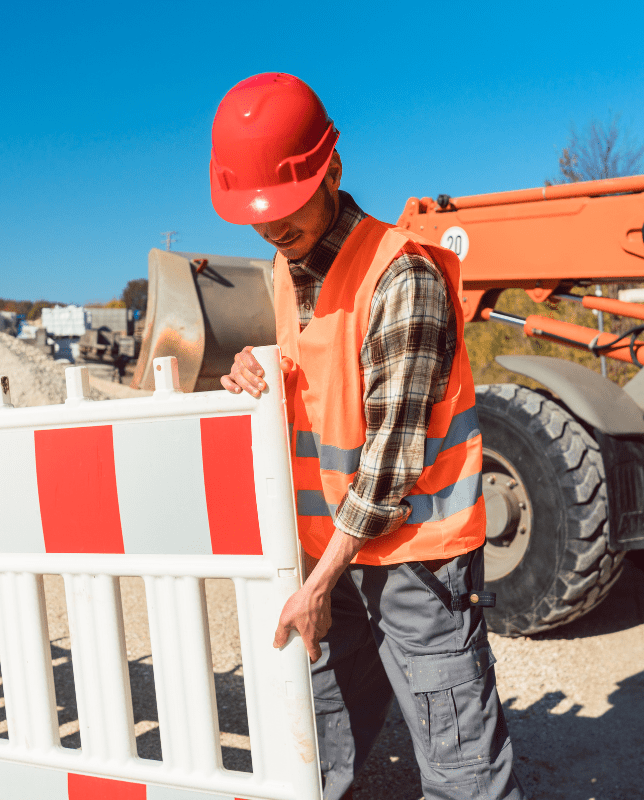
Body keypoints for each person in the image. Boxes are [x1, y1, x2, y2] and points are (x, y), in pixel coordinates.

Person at [212, 73, 525, 800]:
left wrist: (316, 584)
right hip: (333, 555)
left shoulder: (402, 276)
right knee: (317, 744)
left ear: (333, 171)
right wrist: (256, 372)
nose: (270, 228)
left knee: (460, 767)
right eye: (258, 214)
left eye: (284, 209)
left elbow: (391, 459)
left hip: (414, 562)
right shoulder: (285, 273)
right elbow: (319, 387)